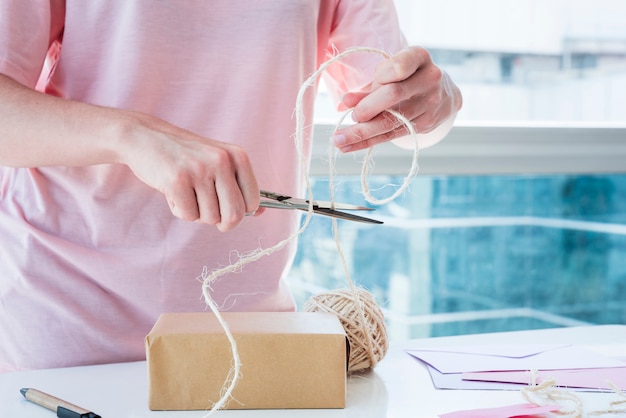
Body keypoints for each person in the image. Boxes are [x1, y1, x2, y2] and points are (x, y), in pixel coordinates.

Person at [0, 1, 462, 372]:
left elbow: (404, 103)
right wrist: (130, 134)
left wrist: (438, 101)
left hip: (248, 334)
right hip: (62, 325)